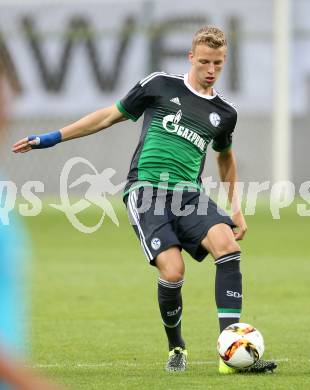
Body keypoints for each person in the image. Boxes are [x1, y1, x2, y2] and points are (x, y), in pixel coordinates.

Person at [12, 26, 277, 374]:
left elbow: (225, 157)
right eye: (204, 62)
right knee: (173, 270)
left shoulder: (224, 114)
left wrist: (236, 209)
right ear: (190, 58)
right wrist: (51, 138)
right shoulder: (160, 85)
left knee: (228, 246)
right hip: (146, 190)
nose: (211, 70)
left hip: (189, 194)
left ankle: (230, 350)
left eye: (218, 63)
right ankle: (176, 347)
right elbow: (108, 116)